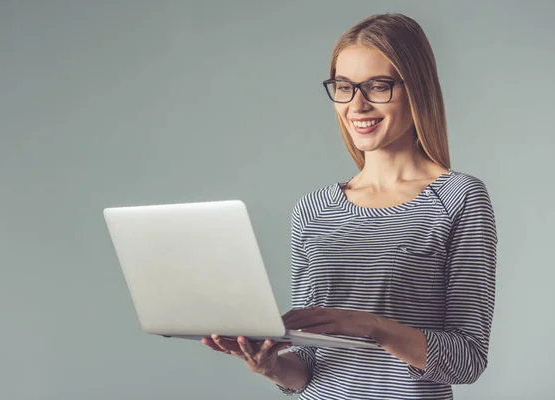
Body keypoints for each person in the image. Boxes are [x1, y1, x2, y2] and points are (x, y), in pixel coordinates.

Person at [202, 12, 497, 400]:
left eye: (377, 86)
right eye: (343, 87)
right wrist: (271, 366)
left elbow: (468, 359)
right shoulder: (313, 209)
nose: (356, 105)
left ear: (418, 89)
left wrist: (371, 326)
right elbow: (307, 364)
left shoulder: (458, 198)